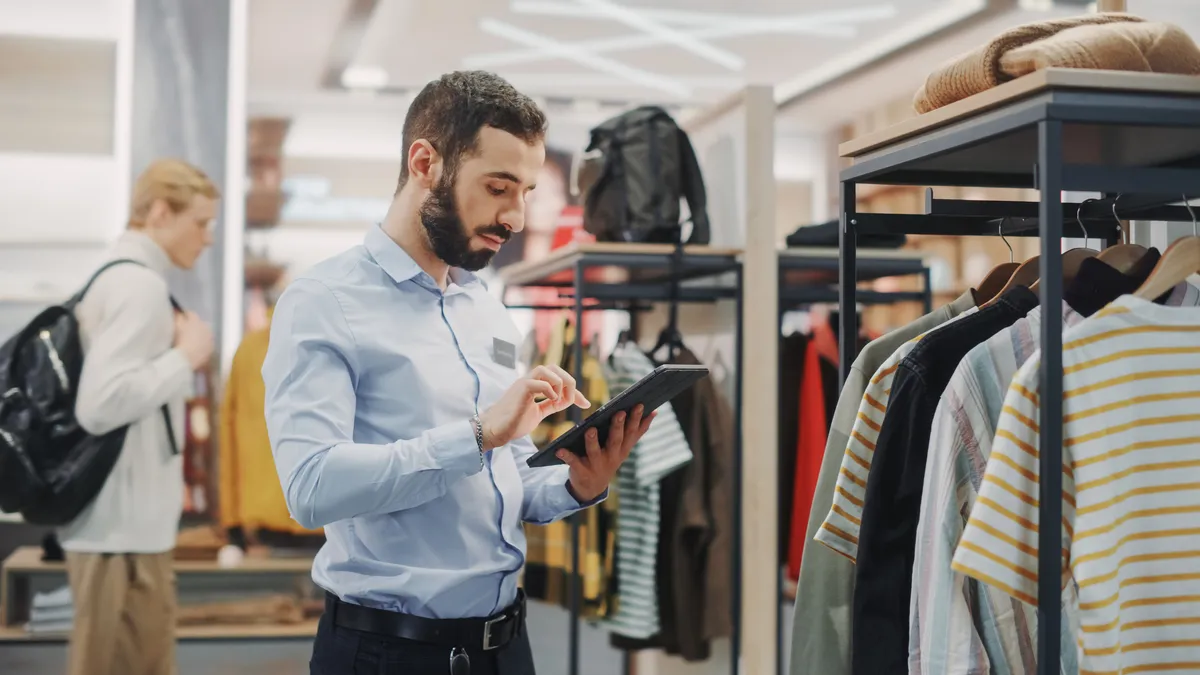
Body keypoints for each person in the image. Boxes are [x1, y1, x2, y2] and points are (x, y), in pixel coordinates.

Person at [262, 70, 654, 675]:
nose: (517, 217)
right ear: (425, 162)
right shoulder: (323, 301)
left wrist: (578, 482)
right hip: (387, 654)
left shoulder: (487, 313)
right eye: (499, 187)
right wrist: (477, 435)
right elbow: (311, 488)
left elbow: (508, 478)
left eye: (525, 191)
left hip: (505, 648)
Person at [63, 158, 218, 675]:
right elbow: (100, 404)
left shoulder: (122, 277)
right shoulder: (139, 286)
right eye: (200, 222)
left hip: (122, 529)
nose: (208, 237)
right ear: (158, 213)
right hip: (120, 535)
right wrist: (186, 356)